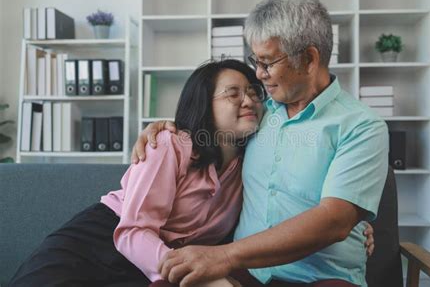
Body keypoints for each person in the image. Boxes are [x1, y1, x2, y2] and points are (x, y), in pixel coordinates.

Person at [132, 0, 388, 287]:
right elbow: (211, 122)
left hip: (320, 278)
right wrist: (165, 128)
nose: (260, 74)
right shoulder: (258, 112)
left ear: (308, 59)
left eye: (267, 62)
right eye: (255, 62)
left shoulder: (362, 126)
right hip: (248, 275)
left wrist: (225, 256)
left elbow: (334, 221)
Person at [8, 60, 266, 287]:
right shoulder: (170, 144)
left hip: (153, 266)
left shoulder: (251, 168)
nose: (248, 101)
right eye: (233, 94)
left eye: (254, 94)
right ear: (203, 104)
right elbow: (132, 233)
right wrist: (205, 278)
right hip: (101, 241)